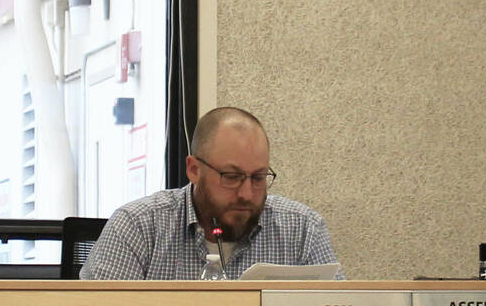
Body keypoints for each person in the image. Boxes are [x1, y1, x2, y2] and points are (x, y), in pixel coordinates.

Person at [81, 106, 338, 280]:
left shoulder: (303, 230)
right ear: (194, 170)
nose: (247, 194)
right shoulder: (137, 228)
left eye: (258, 177)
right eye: (232, 177)